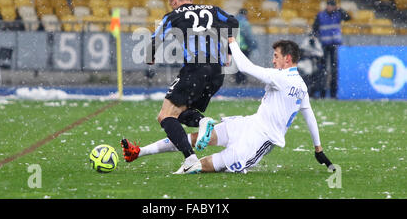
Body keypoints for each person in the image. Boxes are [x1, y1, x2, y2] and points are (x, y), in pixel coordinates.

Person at [121, 38, 335, 174]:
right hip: (248, 125)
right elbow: (309, 115)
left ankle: (179, 170)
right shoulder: (300, 85)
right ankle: (138, 152)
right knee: (195, 139)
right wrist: (319, 149)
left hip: (258, 141)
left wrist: (231, 39)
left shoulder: (280, 78)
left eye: (276, 56)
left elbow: (245, 66)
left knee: (204, 166)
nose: (273, 61)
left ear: (288, 59)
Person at [123, 0, 239, 174]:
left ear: (174, 0)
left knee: (165, 116)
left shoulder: (173, 15)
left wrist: (150, 56)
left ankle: (191, 157)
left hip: (195, 69)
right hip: (217, 73)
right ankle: (202, 123)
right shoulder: (213, 10)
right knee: (181, 113)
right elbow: (234, 22)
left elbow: (155, 38)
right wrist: (227, 51)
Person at [312, 0, 350, 99]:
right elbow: (314, 28)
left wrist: (340, 9)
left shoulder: (338, 14)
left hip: (334, 46)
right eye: (329, 5)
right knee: (323, 70)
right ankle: (322, 94)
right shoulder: (320, 15)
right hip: (324, 46)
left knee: (333, 71)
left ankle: (333, 94)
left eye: (332, 5)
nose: (330, 7)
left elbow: (348, 17)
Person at [234, 9, 257, 84]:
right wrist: (253, 45)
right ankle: (242, 81)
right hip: (243, 47)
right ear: (245, 14)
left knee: (237, 65)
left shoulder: (233, 21)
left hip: (234, 46)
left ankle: (238, 80)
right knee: (243, 65)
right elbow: (248, 36)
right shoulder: (244, 23)